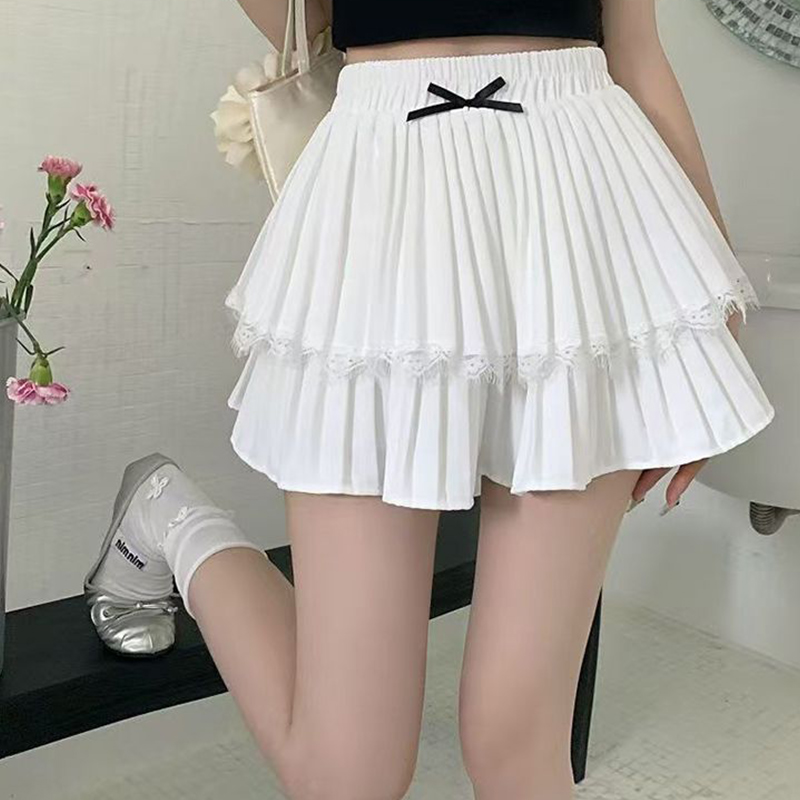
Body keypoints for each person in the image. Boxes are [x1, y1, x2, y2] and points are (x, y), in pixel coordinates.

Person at [83, 1, 775, 798]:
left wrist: (709, 308)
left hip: (581, 211)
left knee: (516, 744)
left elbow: (638, 52)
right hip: (382, 194)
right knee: (348, 775)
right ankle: (171, 516)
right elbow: (301, 20)